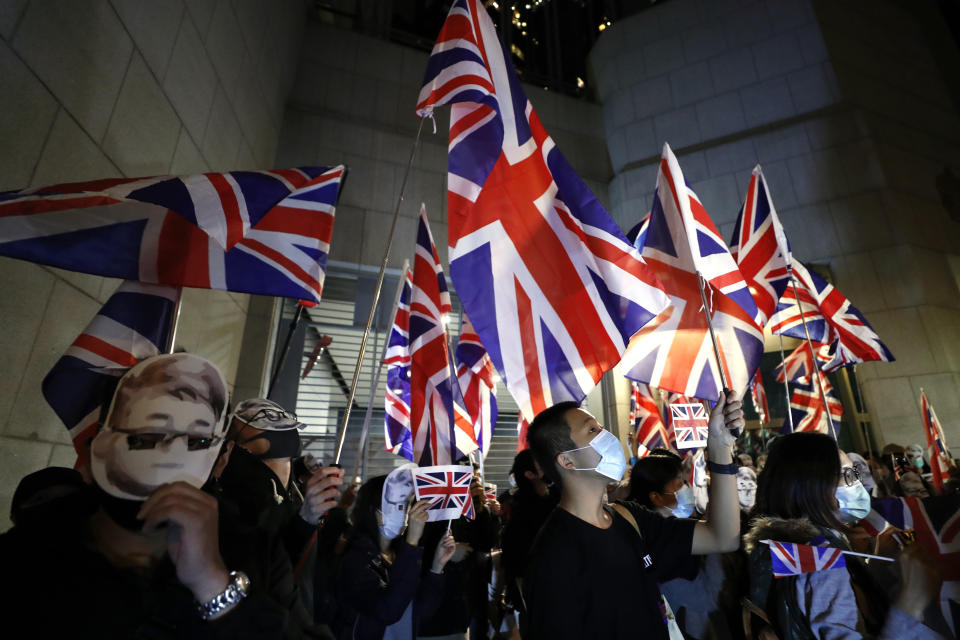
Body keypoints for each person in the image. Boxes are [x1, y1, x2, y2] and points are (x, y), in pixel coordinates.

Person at [1, 353, 327, 638]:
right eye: (147, 437)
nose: (170, 454)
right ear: (100, 446)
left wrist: (216, 590)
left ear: (223, 456)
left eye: (197, 441)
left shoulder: (256, 554)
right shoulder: (30, 554)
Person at [522, 392, 744, 639]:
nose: (607, 436)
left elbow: (723, 537)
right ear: (567, 461)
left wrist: (720, 446)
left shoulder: (630, 518)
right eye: (592, 431)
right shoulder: (552, 557)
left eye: (601, 427)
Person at [744, 432, 944, 639]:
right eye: (845, 475)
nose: (857, 483)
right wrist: (911, 603)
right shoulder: (820, 561)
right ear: (811, 486)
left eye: (855, 473)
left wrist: (871, 575)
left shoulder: (784, 547)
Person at [335, 473, 456, 640]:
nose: (405, 512)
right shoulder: (356, 559)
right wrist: (412, 542)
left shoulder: (399, 554)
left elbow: (418, 611)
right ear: (374, 510)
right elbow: (387, 611)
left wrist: (436, 567)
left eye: (406, 504)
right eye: (397, 504)